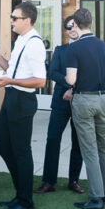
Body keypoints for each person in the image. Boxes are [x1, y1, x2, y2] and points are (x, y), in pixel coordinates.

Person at [0, 1, 47, 209]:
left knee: (21, 151)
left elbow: (40, 81)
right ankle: (20, 194)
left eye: (14, 18)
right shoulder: (21, 39)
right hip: (11, 96)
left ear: (27, 20)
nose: (11, 21)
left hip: (22, 100)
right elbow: (14, 69)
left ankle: (26, 202)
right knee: (4, 147)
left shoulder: (35, 43)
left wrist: (11, 82)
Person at [64, 7, 105, 209]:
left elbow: (71, 79)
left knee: (89, 149)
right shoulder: (104, 47)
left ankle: (96, 198)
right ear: (91, 23)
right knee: (103, 147)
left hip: (84, 99)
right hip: (104, 99)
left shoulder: (73, 49)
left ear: (75, 24)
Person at [35, 15, 84, 195]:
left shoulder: (85, 50)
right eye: (68, 27)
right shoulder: (60, 50)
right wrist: (67, 85)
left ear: (80, 27)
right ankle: (48, 181)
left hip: (80, 101)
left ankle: (74, 180)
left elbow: (88, 75)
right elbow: (52, 72)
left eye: (74, 26)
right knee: (52, 139)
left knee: (78, 143)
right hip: (60, 102)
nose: (71, 29)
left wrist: (73, 90)